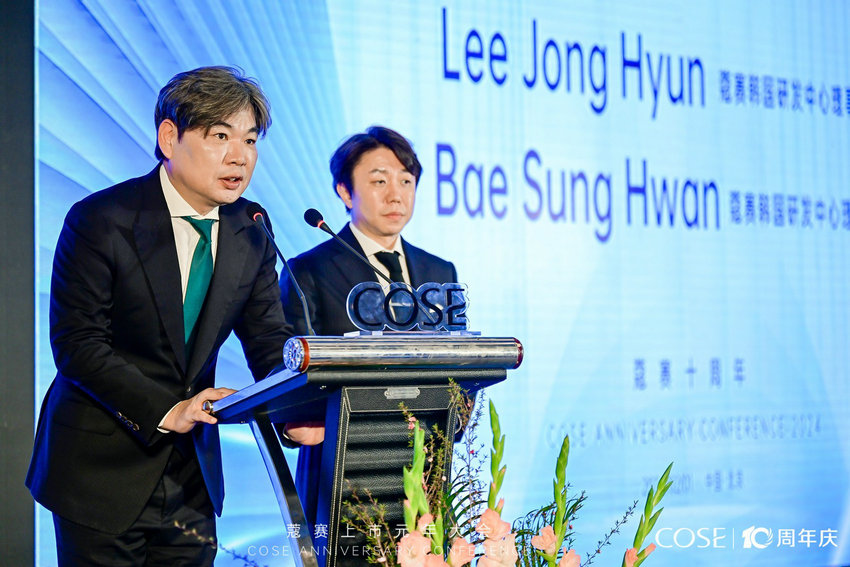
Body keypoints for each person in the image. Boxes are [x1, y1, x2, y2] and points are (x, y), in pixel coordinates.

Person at [27, 66, 296, 566]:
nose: (239, 157)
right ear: (169, 137)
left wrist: (297, 408)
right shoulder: (101, 219)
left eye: (250, 140)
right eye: (220, 136)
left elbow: (267, 339)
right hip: (99, 471)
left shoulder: (250, 226)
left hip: (191, 479)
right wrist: (169, 410)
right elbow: (78, 344)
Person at [279, 125, 458, 528]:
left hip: (425, 473)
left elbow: (458, 365)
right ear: (345, 191)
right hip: (343, 476)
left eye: (406, 181)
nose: (396, 195)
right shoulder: (309, 270)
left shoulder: (439, 271)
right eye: (379, 181)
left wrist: (453, 418)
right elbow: (290, 371)